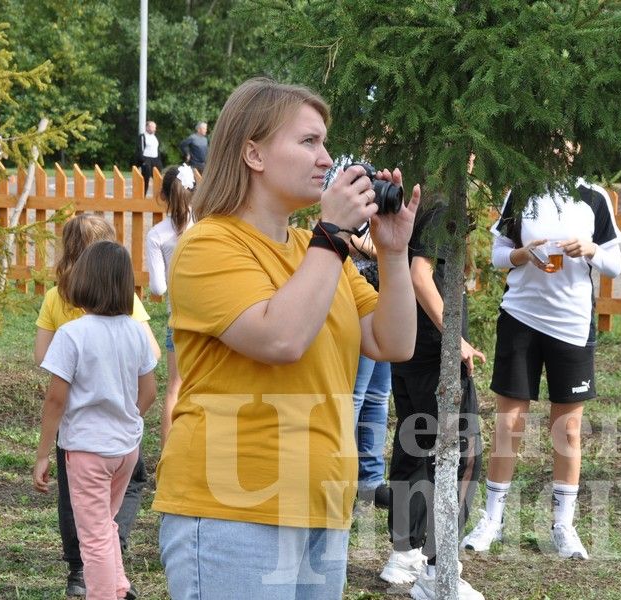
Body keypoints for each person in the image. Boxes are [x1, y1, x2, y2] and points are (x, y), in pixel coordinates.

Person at [152, 77, 420, 600]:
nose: (327, 159)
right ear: (253, 152)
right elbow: (281, 339)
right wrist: (331, 236)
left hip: (321, 505)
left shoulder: (316, 250)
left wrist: (391, 253)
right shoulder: (208, 244)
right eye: (308, 142)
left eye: (325, 143)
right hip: (232, 511)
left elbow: (394, 343)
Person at [461, 178, 621, 560]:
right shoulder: (520, 189)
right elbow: (497, 256)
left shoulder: (593, 197)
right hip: (521, 317)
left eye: (565, 135)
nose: (557, 139)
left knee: (567, 428)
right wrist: (521, 255)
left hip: (571, 323)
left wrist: (591, 249)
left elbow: (615, 265)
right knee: (509, 423)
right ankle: (493, 520)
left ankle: (563, 526)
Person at [34, 214, 161, 598]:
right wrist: (126, 419)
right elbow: (150, 392)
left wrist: (43, 454)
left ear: (82, 280)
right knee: (105, 524)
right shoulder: (136, 332)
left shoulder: (72, 334)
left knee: (91, 538)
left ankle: (104, 593)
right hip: (125, 448)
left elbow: (56, 399)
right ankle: (119, 585)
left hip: (87, 451)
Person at [379, 202, 486, 600]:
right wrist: (452, 338)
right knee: (462, 456)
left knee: (414, 450)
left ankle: (404, 555)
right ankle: (440, 570)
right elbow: (420, 274)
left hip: (407, 348)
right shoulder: (444, 205)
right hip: (433, 356)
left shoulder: (418, 197)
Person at [146, 165, 195, 447]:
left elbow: (158, 288)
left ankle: (167, 460)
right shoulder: (205, 226)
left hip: (178, 320)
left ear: (163, 195)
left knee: (174, 389)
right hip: (213, 320)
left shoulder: (157, 235)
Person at [349, 231, 392, 509]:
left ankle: (371, 481)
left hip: (386, 298)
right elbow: (343, 237)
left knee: (378, 396)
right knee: (354, 396)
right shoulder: (344, 188)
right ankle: (343, 477)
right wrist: (384, 250)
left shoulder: (390, 199)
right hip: (355, 300)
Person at [137, 121, 163, 194]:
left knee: (158, 178)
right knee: (146, 179)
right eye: (152, 127)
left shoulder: (155, 137)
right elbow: (140, 149)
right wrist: (143, 160)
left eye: (155, 127)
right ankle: (143, 195)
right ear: (147, 127)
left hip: (155, 159)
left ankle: (158, 196)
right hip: (146, 159)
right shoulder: (143, 136)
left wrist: (159, 160)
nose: (154, 129)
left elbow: (157, 149)